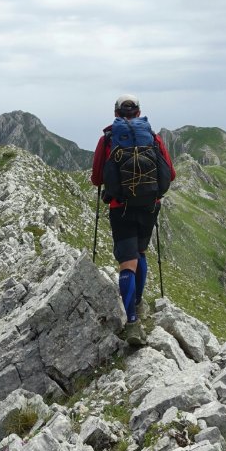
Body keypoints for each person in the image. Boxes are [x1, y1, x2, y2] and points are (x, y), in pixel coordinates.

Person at [90, 94, 175, 323]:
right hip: (149, 206)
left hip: (122, 207)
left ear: (116, 114)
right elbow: (170, 174)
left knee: (127, 261)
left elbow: (97, 178)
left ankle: (131, 319)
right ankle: (137, 302)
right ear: (139, 113)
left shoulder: (108, 139)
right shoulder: (153, 138)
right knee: (141, 253)